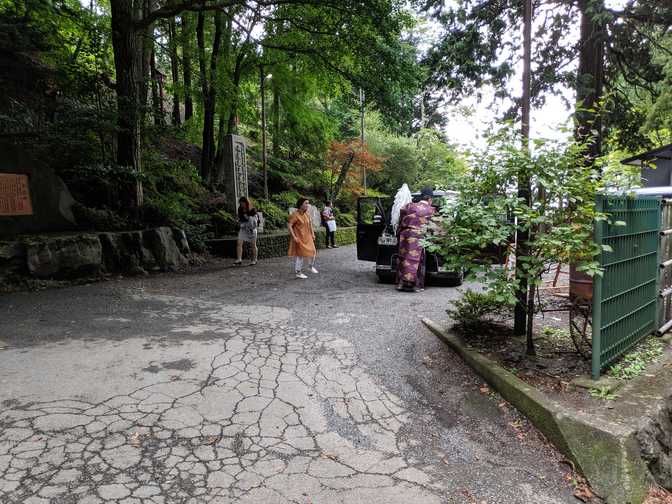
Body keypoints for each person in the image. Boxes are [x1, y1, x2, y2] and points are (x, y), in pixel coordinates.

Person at [396, 187, 435, 292]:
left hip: (405, 235)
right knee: (417, 260)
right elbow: (433, 227)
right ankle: (416, 285)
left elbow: (401, 216)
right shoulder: (431, 210)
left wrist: (399, 231)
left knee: (403, 259)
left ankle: (401, 284)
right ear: (430, 199)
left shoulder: (409, 206)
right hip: (418, 236)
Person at [288, 197, 318, 279]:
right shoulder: (295, 215)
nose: (308, 205)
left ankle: (310, 267)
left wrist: (313, 234)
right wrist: (294, 237)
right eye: (306, 203)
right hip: (299, 238)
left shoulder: (306, 214)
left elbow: (310, 224)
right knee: (300, 255)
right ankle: (298, 272)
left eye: (308, 203)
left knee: (313, 252)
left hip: (308, 237)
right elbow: (289, 225)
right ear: (300, 205)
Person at [234, 196, 258, 266]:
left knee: (253, 245)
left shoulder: (252, 209)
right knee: (239, 242)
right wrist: (238, 220)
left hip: (251, 229)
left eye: (243, 203)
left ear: (246, 202)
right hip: (243, 228)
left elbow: (255, 221)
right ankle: (239, 259)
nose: (242, 205)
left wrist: (248, 218)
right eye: (240, 203)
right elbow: (240, 217)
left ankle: (254, 259)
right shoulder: (240, 209)